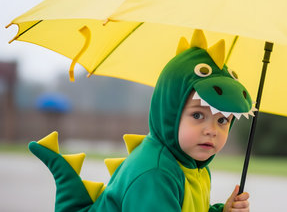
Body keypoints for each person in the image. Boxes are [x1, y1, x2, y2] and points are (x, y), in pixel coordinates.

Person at [29, 30, 255, 211]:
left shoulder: (195, 167)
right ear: (169, 113)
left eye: (223, 121)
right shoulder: (155, 174)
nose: (212, 130)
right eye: (197, 115)